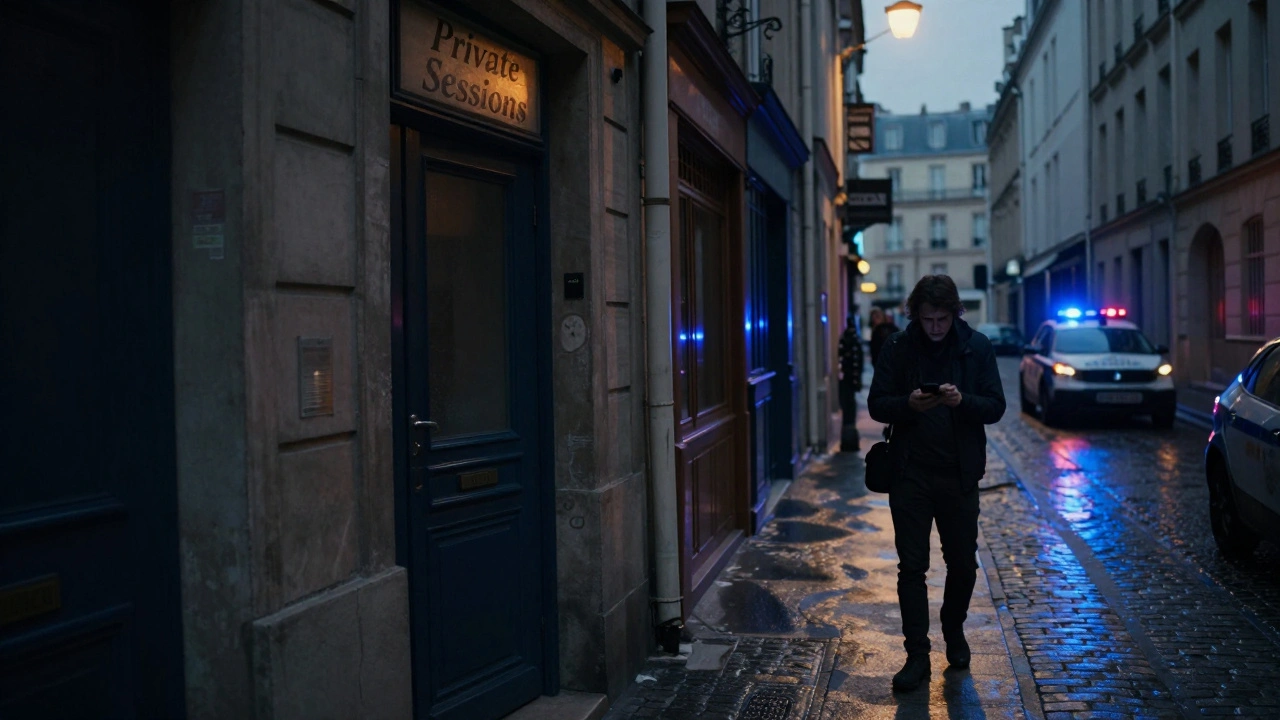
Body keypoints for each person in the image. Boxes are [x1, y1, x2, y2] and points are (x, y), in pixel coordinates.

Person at [866, 275, 1006, 692]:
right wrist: (908, 405)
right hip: (910, 473)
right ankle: (916, 655)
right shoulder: (898, 346)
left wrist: (963, 402)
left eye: (942, 318)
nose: (935, 328)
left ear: (955, 313)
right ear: (916, 315)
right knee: (912, 566)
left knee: (962, 562)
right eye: (927, 319)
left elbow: (996, 405)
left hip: (959, 474)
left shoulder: (976, 346)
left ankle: (954, 629)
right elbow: (876, 403)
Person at [837, 317, 864, 450]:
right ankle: (849, 440)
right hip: (848, 380)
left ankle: (848, 440)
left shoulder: (847, 340)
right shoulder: (852, 340)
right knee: (849, 407)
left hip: (847, 380)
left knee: (849, 407)